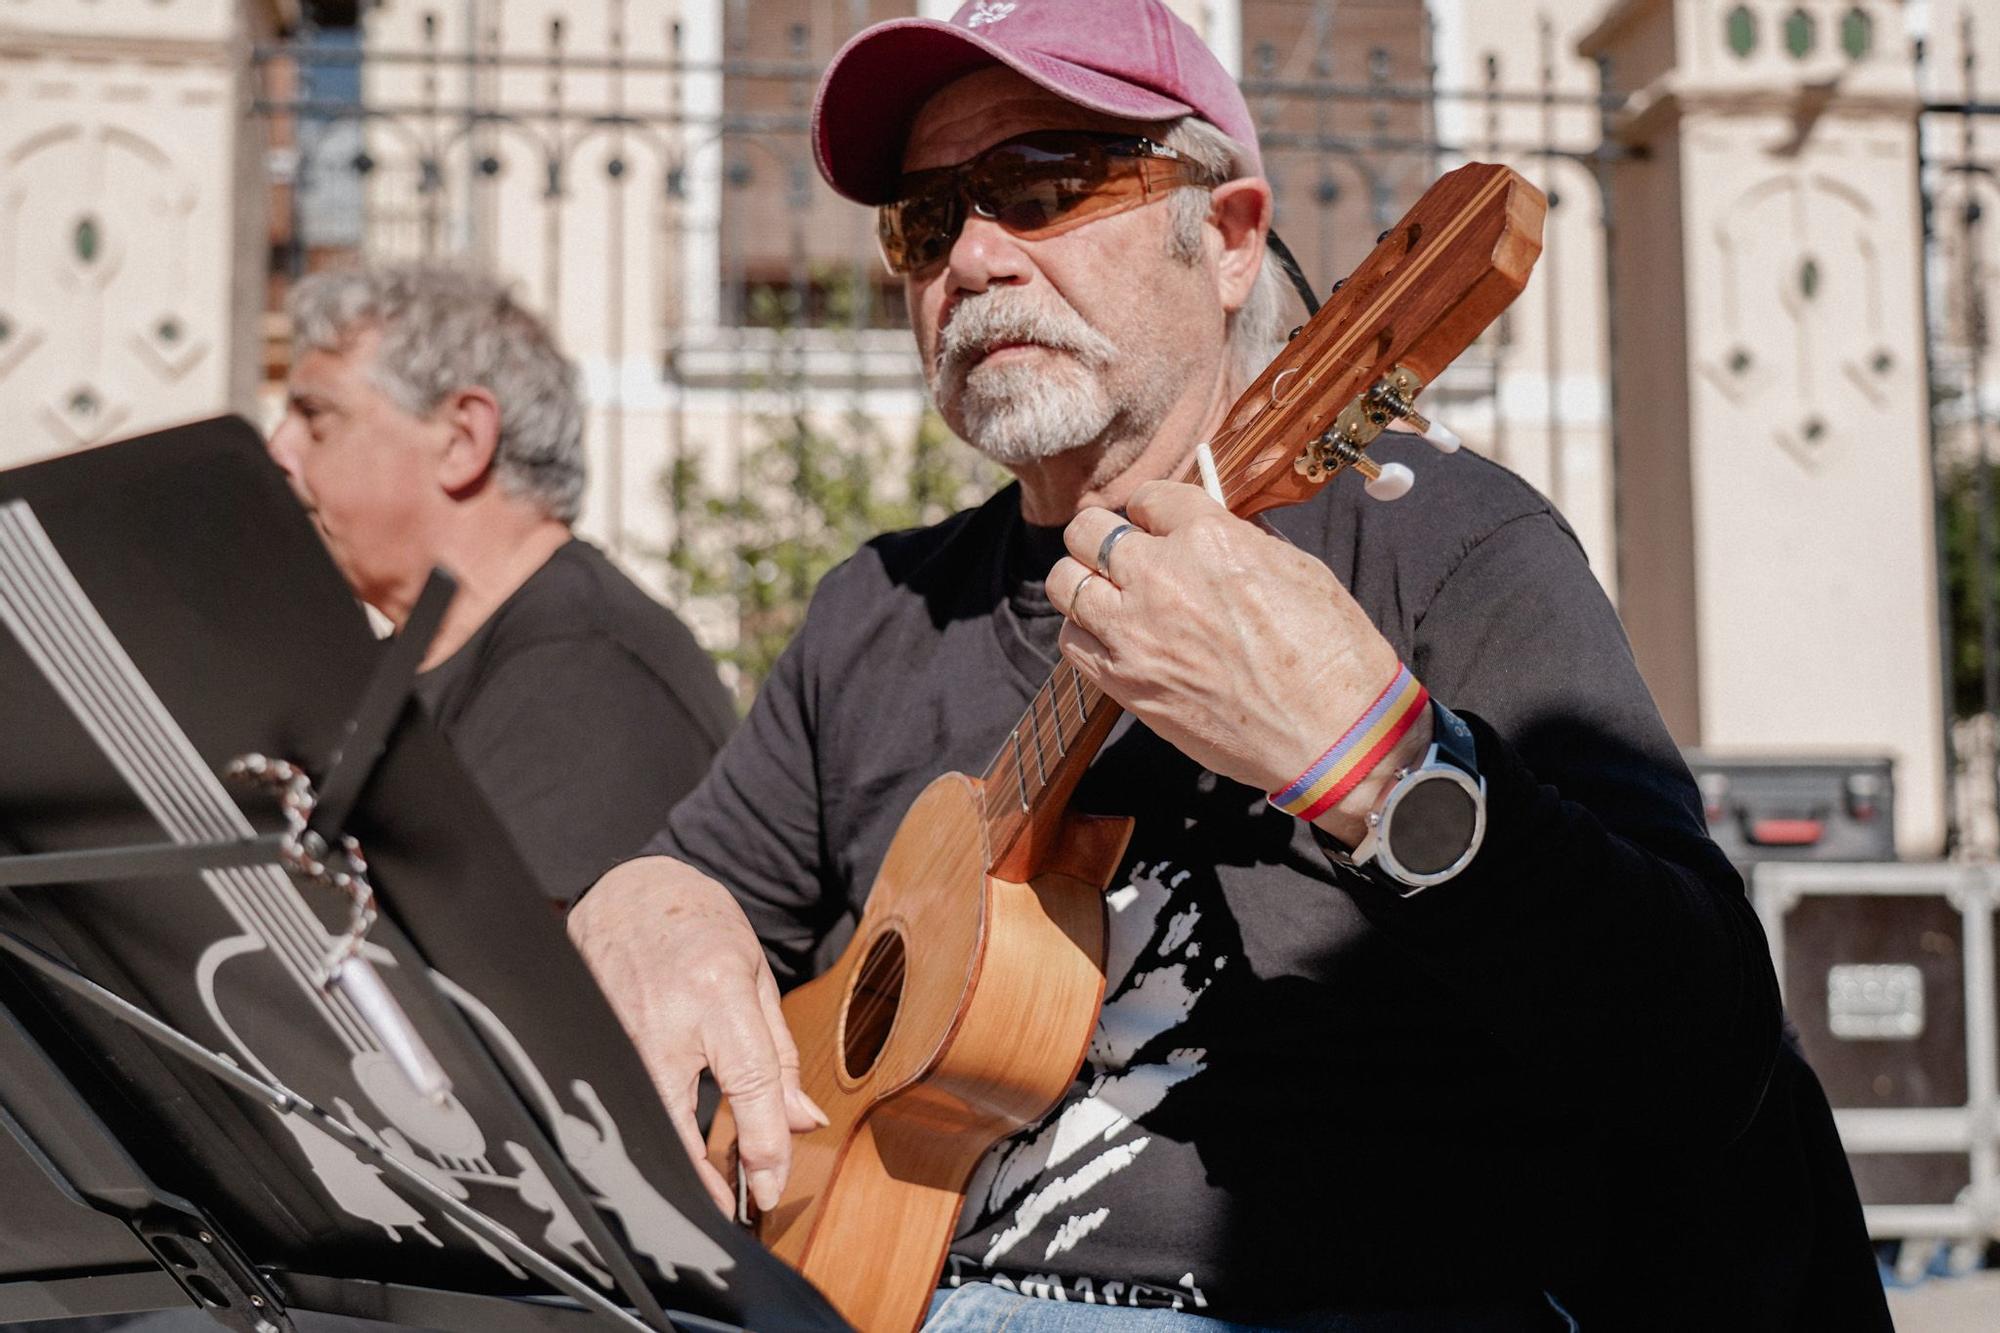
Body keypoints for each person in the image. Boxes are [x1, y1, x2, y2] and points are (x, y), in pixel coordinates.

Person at [569, 2, 1887, 1327]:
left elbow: (1706, 1052)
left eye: (1042, 188)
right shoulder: (880, 608)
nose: (968, 258)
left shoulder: (1444, 544)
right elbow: (696, 881)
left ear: (1232, 240)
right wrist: (649, 905)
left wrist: (1379, 763)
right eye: (925, 221)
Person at [269, 262, 735, 908]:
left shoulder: (585, 671)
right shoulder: (403, 662)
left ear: (463, 439)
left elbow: (514, 993)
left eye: (316, 418)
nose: (278, 448)